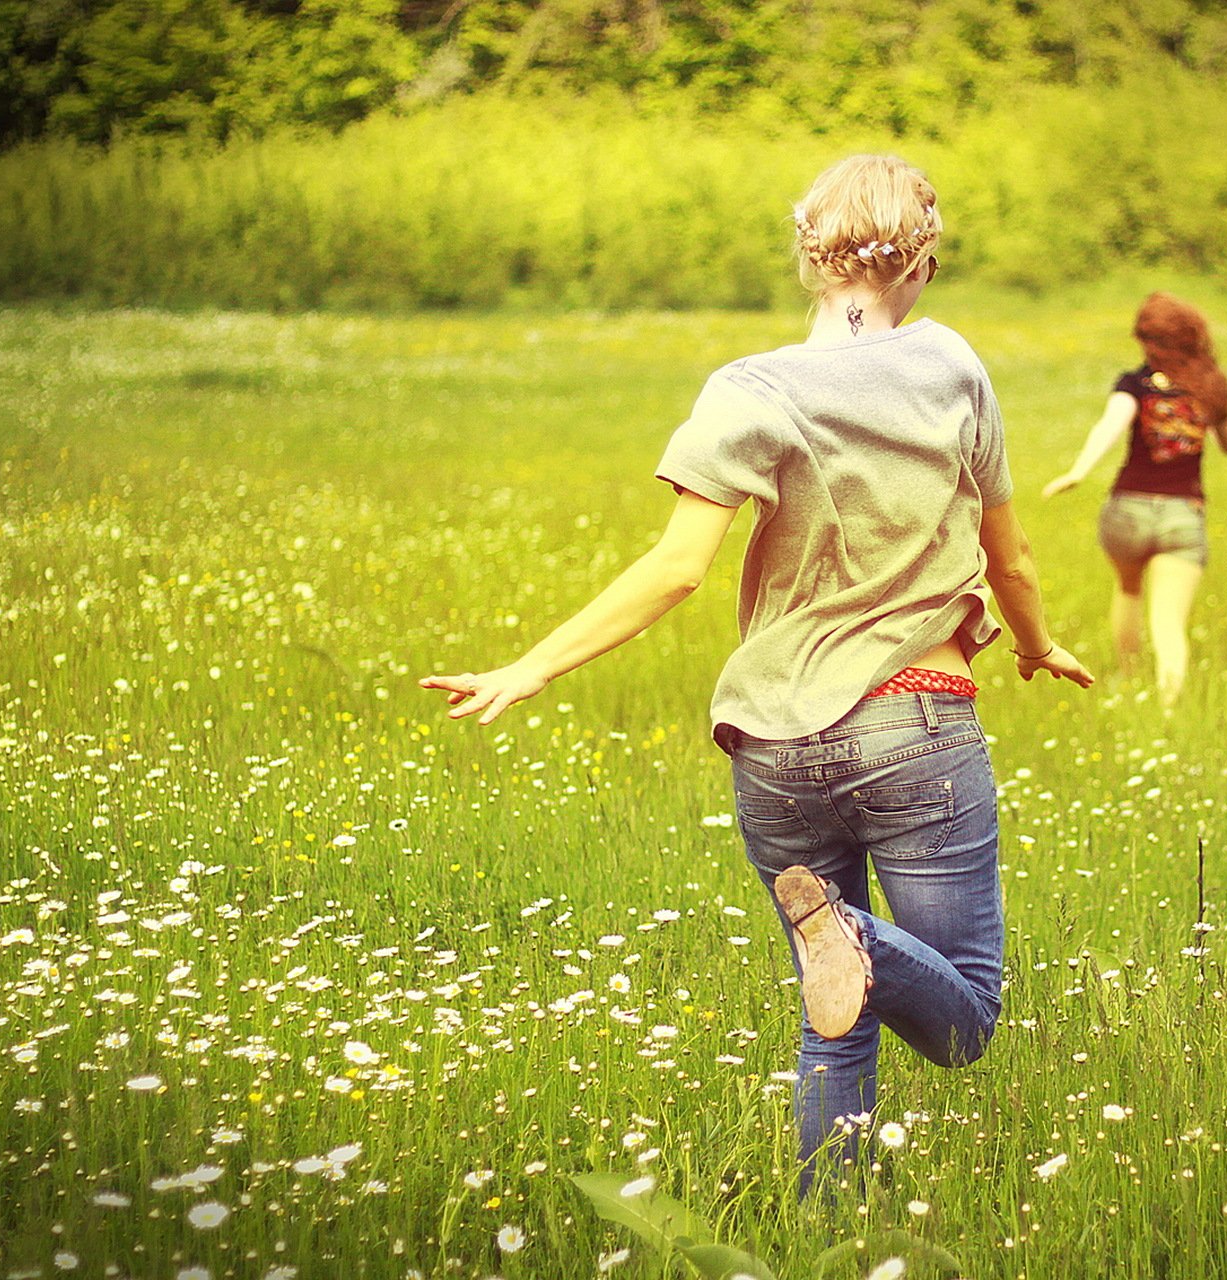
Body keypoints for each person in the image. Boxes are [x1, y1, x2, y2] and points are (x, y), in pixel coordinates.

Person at [419, 154, 1092, 1196]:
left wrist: (533, 664)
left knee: (835, 1022)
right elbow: (1013, 559)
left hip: (773, 749)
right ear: (921, 259)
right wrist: (1040, 645)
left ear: (812, 260)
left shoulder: (749, 390)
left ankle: (829, 1235)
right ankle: (856, 935)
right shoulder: (954, 365)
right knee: (967, 1022)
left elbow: (676, 568)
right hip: (914, 724)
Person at [1042, 292, 1227, 707]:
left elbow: (1110, 424)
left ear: (1146, 340)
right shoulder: (1210, 385)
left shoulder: (1134, 383)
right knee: (1168, 621)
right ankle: (1169, 705)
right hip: (1183, 514)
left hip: (1127, 509)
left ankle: (1128, 680)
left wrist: (1079, 470)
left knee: (1128, 590)